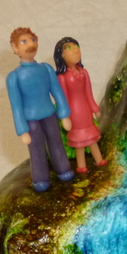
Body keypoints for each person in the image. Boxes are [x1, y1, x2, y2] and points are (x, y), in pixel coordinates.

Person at [7, 27, 74, 192]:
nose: (30, 44)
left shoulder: (46, 69)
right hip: (31, 120)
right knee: (36, 150)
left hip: (49, 114)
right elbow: (16, 106)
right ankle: (40, 178)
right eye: (23, 42)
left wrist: (64, 114)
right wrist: (22, 130)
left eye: (32, 40)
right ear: (15, 48)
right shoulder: (14, 77)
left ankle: (63, 168)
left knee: (56, 142)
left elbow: (57, 92)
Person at [53, 37, 106, 173]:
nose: (75, 50)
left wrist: (95, 108)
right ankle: (81, 166)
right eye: (68, 48)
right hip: (74, 113)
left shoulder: (84, 72)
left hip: (86, 111)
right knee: (79, 141)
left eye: (76, 46)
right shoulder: (62, 77)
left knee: (91, 137)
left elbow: (89, 93)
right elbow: (63, 99)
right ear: (61, 55)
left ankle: (99, 159)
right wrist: (65, 117)